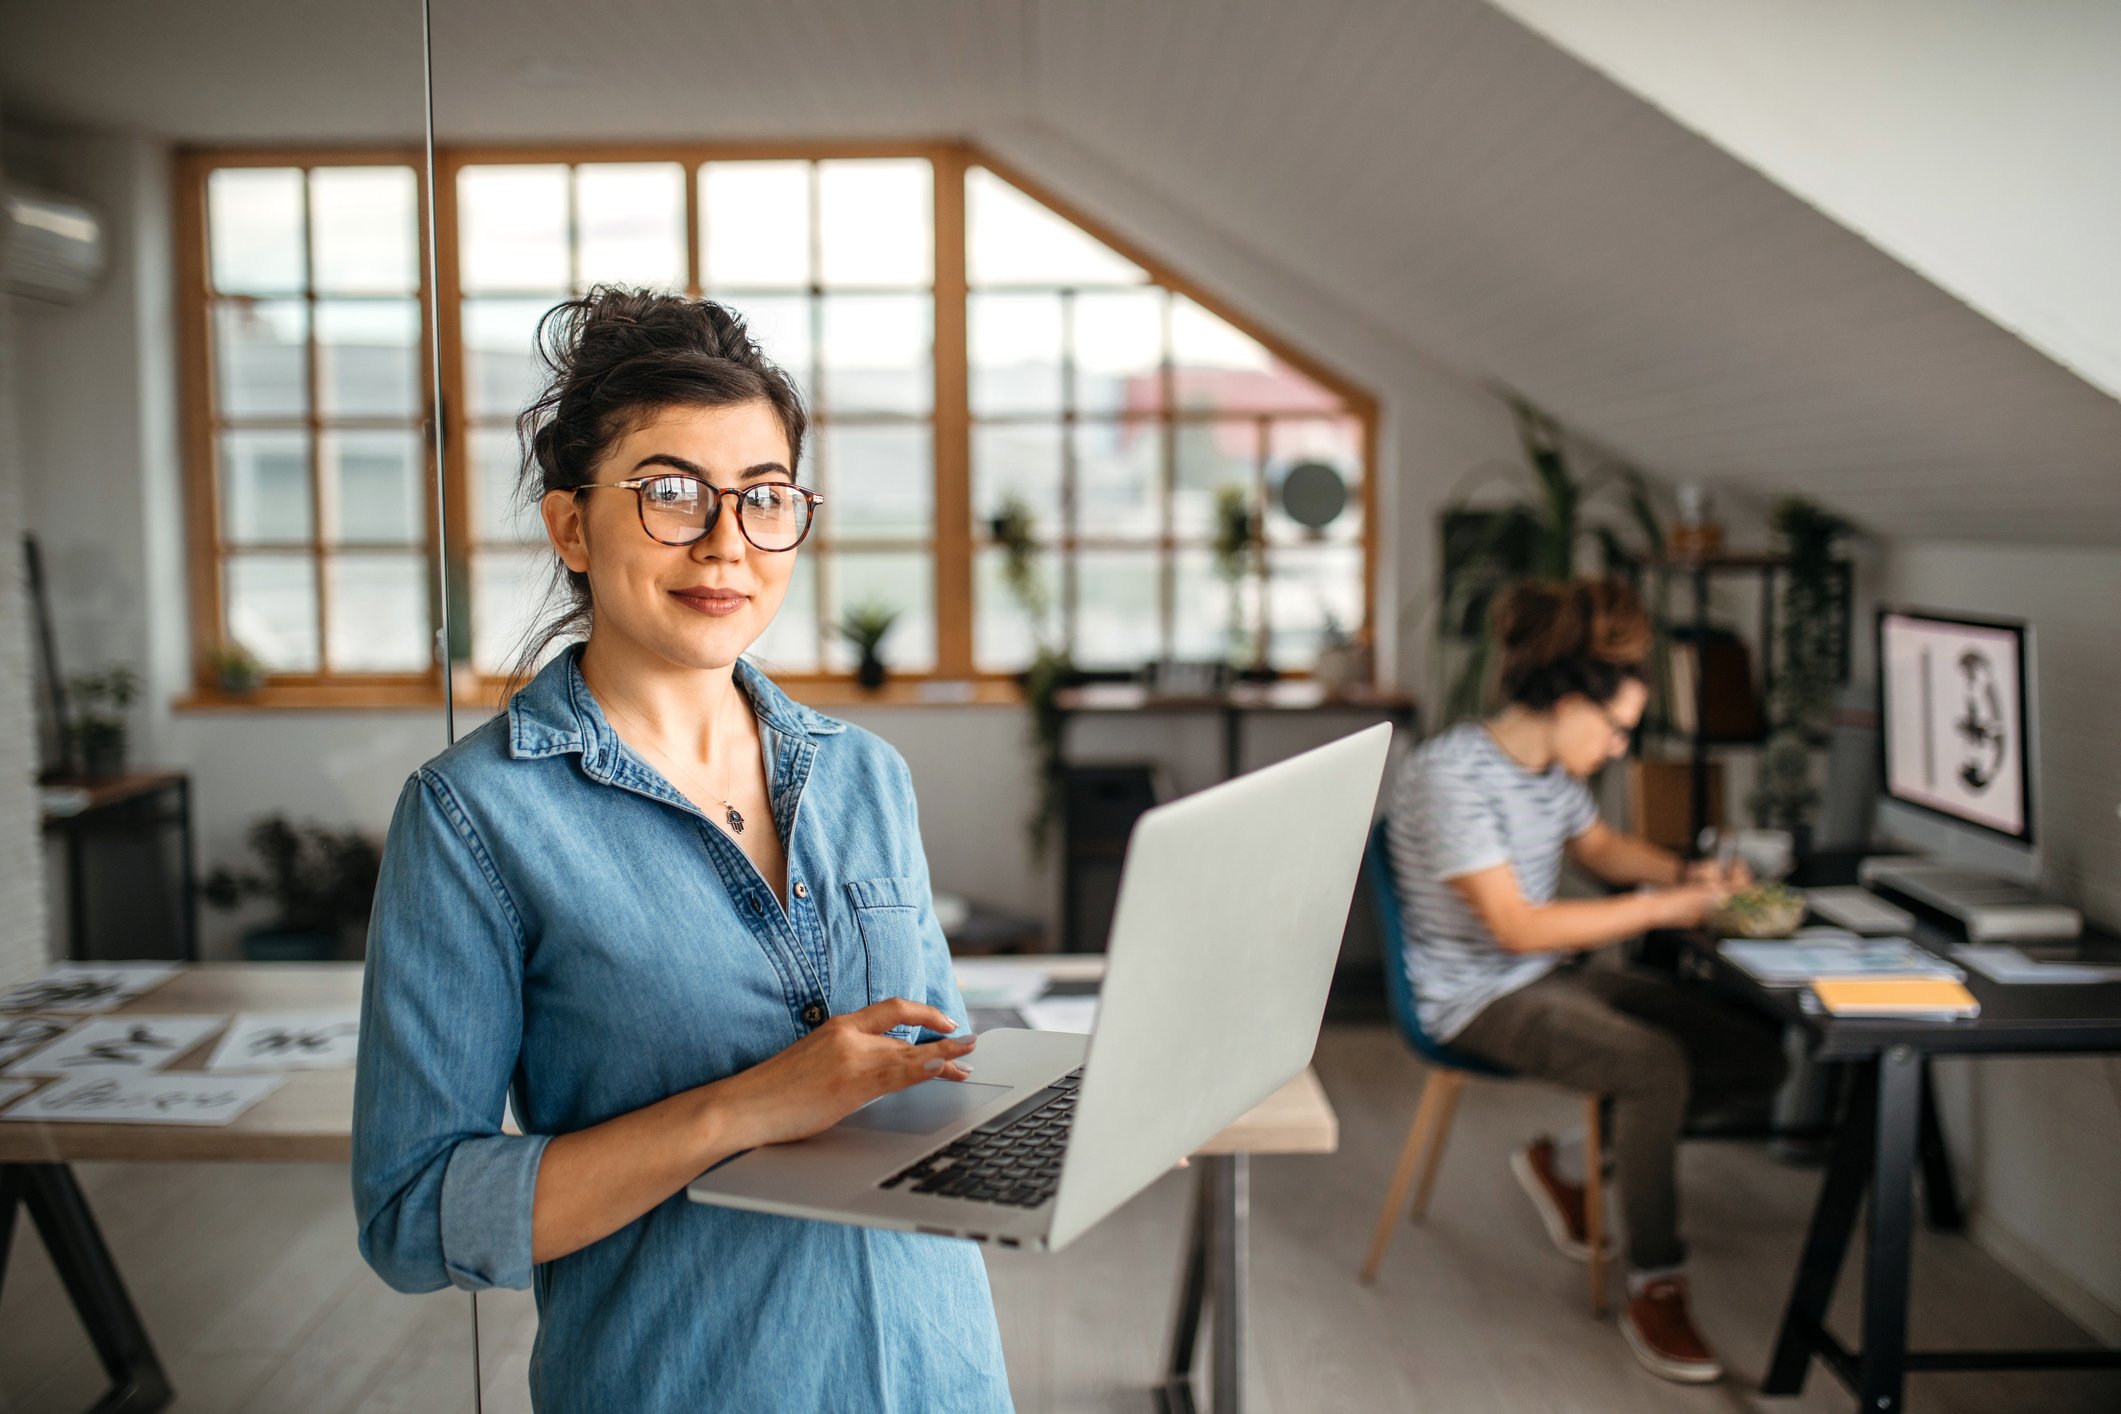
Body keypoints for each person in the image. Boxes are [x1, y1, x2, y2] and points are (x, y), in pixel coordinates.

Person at [352, 288, 1010, 1412]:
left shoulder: (865, 775)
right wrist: (746, 1107)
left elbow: (926, 1065)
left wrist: (1082, 1111)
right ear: (571, 525)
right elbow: (416, 1213)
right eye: (670, 494)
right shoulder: (475, 818)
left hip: (941, 1374)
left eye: (763, 498)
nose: (725, 543)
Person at [1385, 577, 1785, 1384]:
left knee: (1756, 1057)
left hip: (1545, 977)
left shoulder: (1549, 776)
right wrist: (1662, 910)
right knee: (1652, 1067)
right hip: (1474, 1000)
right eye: (1616, 729)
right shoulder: (1450, 777)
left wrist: (1691, 875)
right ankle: (1654, 1282)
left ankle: (1565, 1160)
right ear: (1568, 700)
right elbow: (1517, 927)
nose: (1619, 748)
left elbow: (1600, 852)